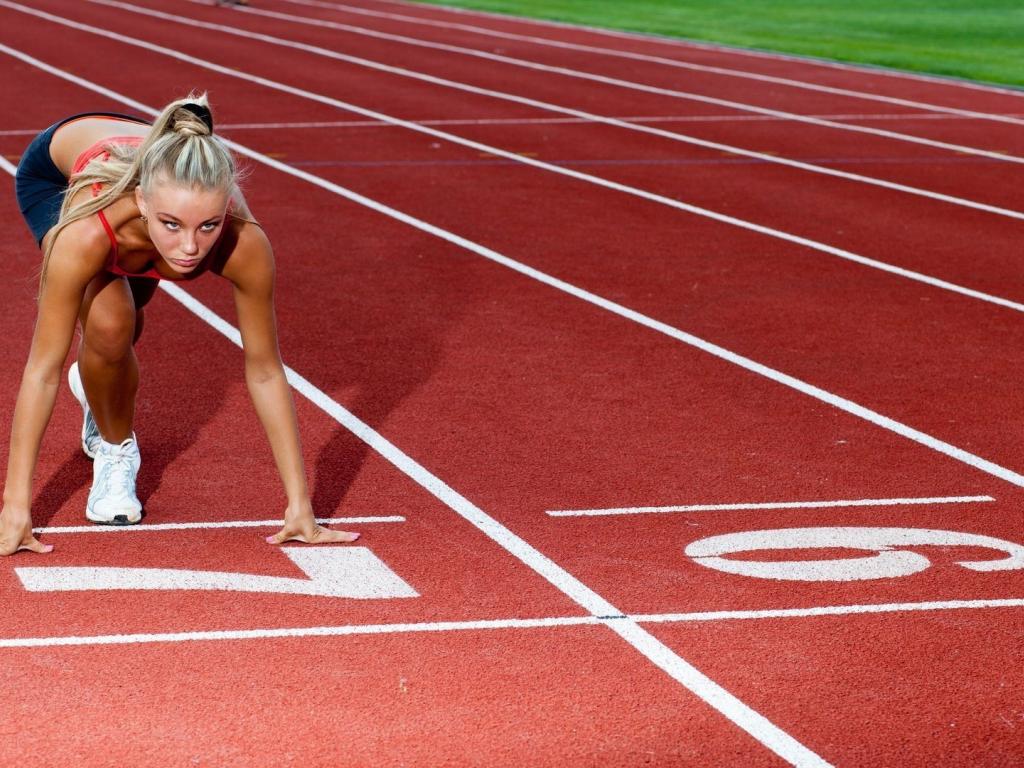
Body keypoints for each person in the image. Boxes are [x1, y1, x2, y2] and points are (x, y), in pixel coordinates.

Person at [0, 94, 359, 555]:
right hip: (57, 174)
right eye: (172, 225)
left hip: (149, 175)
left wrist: (300, 507)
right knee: (111, 324)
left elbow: (266, 370)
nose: (190, 248)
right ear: (143, 202)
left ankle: (96, 384)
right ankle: (115, 449)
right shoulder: (85, 235)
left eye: (208, 226)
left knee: (126, 324)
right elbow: (42, 369)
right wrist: (15, 508)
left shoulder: (243, 242)